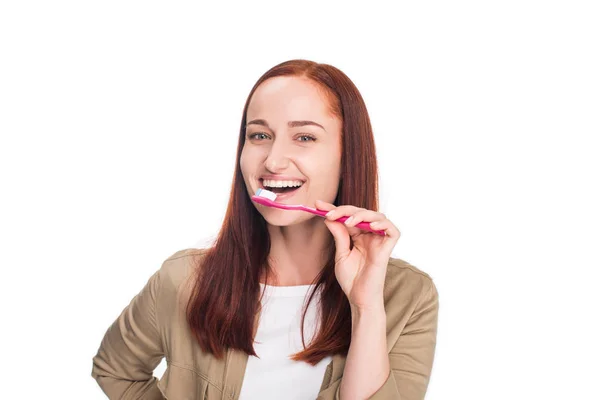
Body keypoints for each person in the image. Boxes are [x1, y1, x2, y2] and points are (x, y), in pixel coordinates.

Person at [91, 59, 439, 400]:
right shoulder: (182, 279)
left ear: (348, 154)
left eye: (304, 137)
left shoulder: (409, 296)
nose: (273, 161)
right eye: (259, 135)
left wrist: (365, 307)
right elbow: (115, 370)